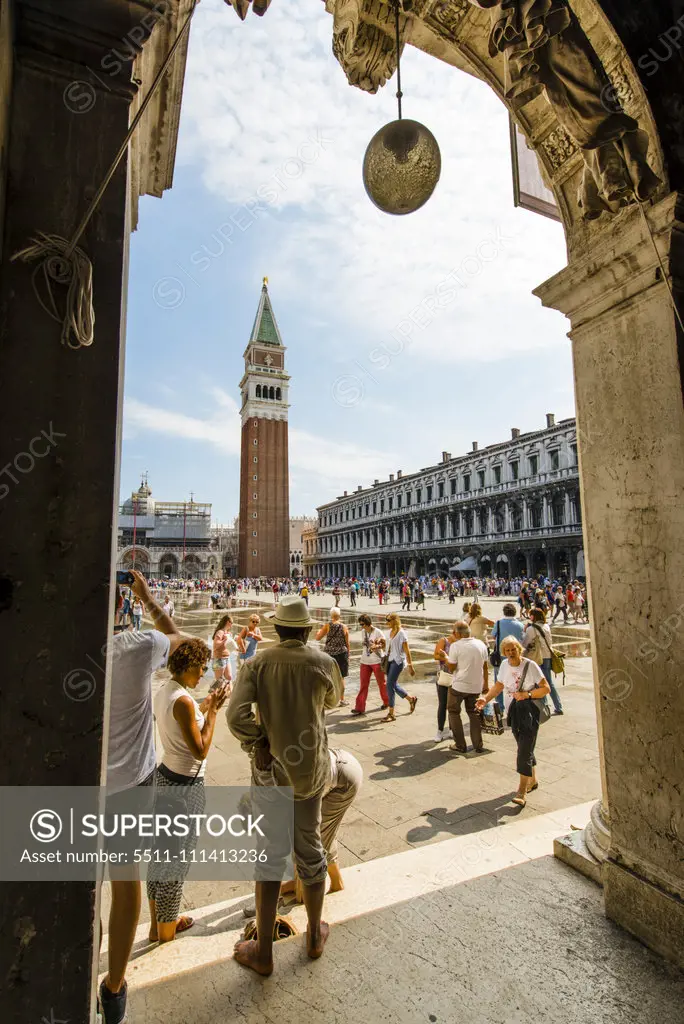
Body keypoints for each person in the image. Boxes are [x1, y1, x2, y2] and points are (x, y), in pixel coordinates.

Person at [226, 595, 343, 975]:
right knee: (310, 850)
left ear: (276, 629)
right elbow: (334, 700)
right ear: (308, 630)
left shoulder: (256, 663)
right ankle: (312, 938)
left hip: (271, 772)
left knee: (269, 855)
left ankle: (263, 952)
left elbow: (235, 715)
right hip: (309, 770)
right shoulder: (323, 662)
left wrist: (257, 742)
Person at [100, 570, 182, 1024]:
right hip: (131, 784)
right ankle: (113, 988)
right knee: (125, 882)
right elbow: (183, 641)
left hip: (71, 786)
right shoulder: (137, 646)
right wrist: (147, 597)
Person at [147, 638, 229, 942]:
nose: (204, 673)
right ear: (189, 665)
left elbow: (185, 717)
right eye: (202, 668)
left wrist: (207, 703)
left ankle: (158, 924)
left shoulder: (167, 691)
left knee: (160, 856)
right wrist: (214, 713)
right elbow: (200, 750)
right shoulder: (182, 701)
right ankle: (166, 933)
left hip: (166, 777)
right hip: (184, 787)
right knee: (176, 862)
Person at [281, 748, 363, 902]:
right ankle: (334, 881)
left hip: (343, 780)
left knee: (313, 841)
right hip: (336, 764)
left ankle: (306, 893)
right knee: (322, 832)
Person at [476, 636, 550, 806]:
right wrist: (485, 699)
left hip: (529, 710)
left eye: (513, 649)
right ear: (503, 652)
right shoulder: (503, 665)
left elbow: (546, 688)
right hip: (513, 711)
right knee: (524, 746)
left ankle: (522, 791)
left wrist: (527, 694)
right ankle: (533, 780)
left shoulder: (530, 666)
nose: (510, 653)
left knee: (524, 750)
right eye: (507, 650)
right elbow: (499, 686)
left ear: (519, 649)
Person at [445, 621, 489, 754]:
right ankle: (478, 744)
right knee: (474, 713)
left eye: (453, 632)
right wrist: (486, 684)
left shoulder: (456, 646)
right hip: (475, 685)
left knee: (453, 712)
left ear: (458, 633)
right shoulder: (481, 644)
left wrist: (445, 657)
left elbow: (451, 667)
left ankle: (460, 745)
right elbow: (485, 666)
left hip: (459, 685)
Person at [523, 609, 564, 715]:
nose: (529, 617)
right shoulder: (546, 626)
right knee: (548, 682)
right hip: (547, 656)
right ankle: (558, 706)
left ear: (534, 616)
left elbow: (525, 644)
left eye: (530, 615)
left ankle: (545, 707)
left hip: (538, 658)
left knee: (539, 683)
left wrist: (525, 630)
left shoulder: (531, 629)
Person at [381, 613, 417, 722]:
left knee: (389, 685)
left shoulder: (401, 633)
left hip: (398, 662)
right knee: (394, 685)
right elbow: (387, 647)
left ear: (394, 620)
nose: (386, 622)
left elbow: (407, 650)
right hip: (389, 661)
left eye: (388, 620)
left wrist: (410, 666)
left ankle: (391, 713)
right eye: (386, 620)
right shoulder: (390, 632)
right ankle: (411, 699)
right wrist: (378, 645)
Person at [352, 613, 389, 715]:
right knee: (363, 684)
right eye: (360, 624)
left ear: (368, 623)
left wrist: (376, 646)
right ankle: (359, 707)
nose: (361, 626)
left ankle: (387, 702)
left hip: (376, 661)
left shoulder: (378, 632)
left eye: (362, 624)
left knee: (381, 684)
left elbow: (384, 645)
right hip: (364, 661)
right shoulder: (363, 632)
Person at [490, 604, 525, 711]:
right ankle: (516, 705)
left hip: (501, 655)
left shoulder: (499, 623)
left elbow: (493, 635)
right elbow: (522, 639)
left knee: (498, 682)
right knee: (516, 681)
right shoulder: (520, 624)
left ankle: (500, 707)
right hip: (515, 656)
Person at [316, 607, 350, 707]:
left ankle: (327, 699)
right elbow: (347, 643)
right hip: (341, 653)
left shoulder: (328, 626)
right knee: (341, 677)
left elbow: (318, 638)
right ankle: (342, 700)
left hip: (329, 654)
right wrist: (348, 655)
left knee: (327, 676)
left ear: (331, 615)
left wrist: (318, 631)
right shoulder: (344, 627)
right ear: (339, 615)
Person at [432, 625, 457, 742]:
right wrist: (444, 657)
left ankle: (452, 729)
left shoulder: (460, 644)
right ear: (453, 632)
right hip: (444, 676)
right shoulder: (444, 641)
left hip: (456, 677)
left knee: (453, 705)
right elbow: (435, 655)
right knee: (443, 704)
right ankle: (440, 731)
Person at [211, 613, 237, 693]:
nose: (232, 625)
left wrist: (234, 643)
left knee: (229, 677)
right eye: (231, 622)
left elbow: (228, 646)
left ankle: (231, 694)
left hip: (226, 658)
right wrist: (225, 640)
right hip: (218, 658)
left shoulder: (228, 632)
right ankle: (213, 694)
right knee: (219, 680)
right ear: (227, 622)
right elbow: (216, 645)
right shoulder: (220, 632)